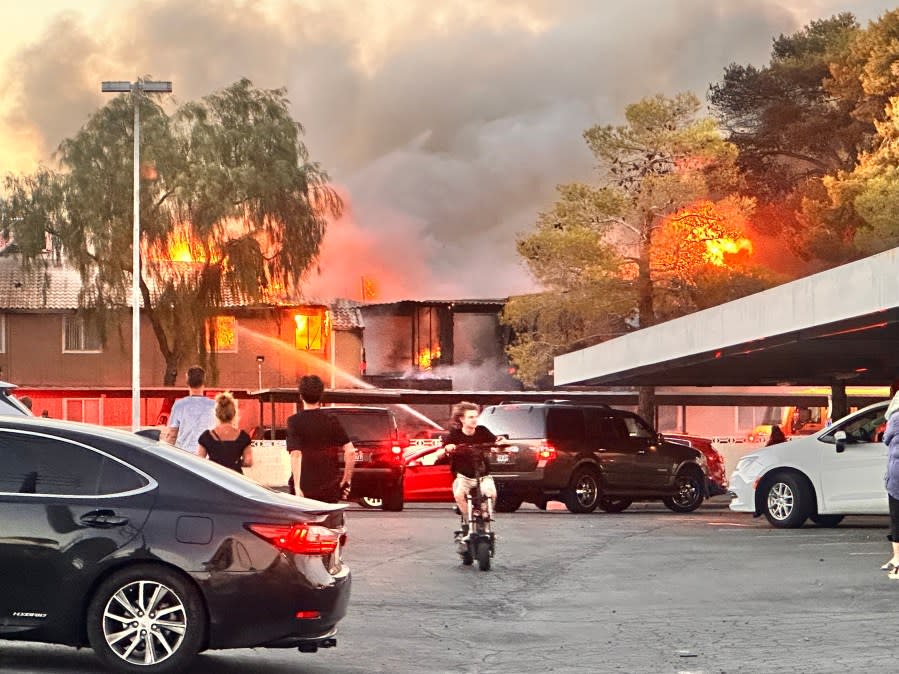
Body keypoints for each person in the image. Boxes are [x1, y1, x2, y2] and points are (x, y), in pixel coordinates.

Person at [286, 375, 355, 502]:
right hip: (329, 486)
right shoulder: (331, 420)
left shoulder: (294, 421)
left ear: (300, 396)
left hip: (305, 485)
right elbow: (350, 451)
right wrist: (346, 479)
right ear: (321, 396)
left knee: (302, 521)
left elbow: (296, 454)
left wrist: (297, 486)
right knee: (328, 520)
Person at [437, 401, 500, 539]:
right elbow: (444, 448)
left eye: (476, 416)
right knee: (459, 495)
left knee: (492, 493)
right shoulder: (455, 434)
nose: (474, 419)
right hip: (463, 476)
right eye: (470, 417)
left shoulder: (482, 431)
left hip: (483, 475)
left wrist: (501, 442)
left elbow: (497, 441)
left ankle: (485, 515)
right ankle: (468, 519)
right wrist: (449, 448)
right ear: (462, 419)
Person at [163, 366, 215, 453]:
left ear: (187, 381)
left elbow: (172, 434)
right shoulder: (213, 405)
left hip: (184, 455)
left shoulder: (179, 405)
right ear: (204, 381)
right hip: (207, 456)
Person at [197, 392, 253, 473]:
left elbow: (199, 461)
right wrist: (236, 463)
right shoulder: (243, 436)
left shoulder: (206, 436)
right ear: (234, 413)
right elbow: (248, 461)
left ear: (216, 414)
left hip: (215, 477)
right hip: (235, 477)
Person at [883, 389, 899, 576]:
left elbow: (886, 440)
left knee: (897, 518)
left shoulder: (895, 418)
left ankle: (897, 559)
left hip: (897, 477)